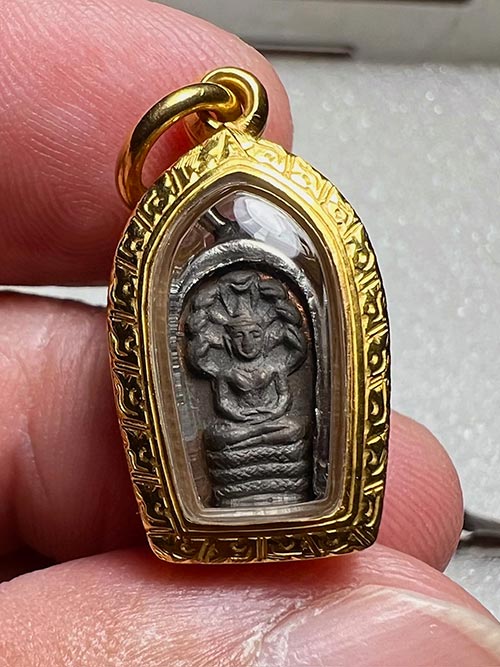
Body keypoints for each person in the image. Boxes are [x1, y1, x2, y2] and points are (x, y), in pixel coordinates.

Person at [0, 1, 499, 664]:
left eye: (253, 335)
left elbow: (283, 401)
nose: (245, 346)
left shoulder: (277, 347)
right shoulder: (222, 360)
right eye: (232, 337)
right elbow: (225, 404)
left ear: (270, 331)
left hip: (283, 444)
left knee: (290, 431)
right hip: (232, 454)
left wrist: (268, 407)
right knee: (223, 438)